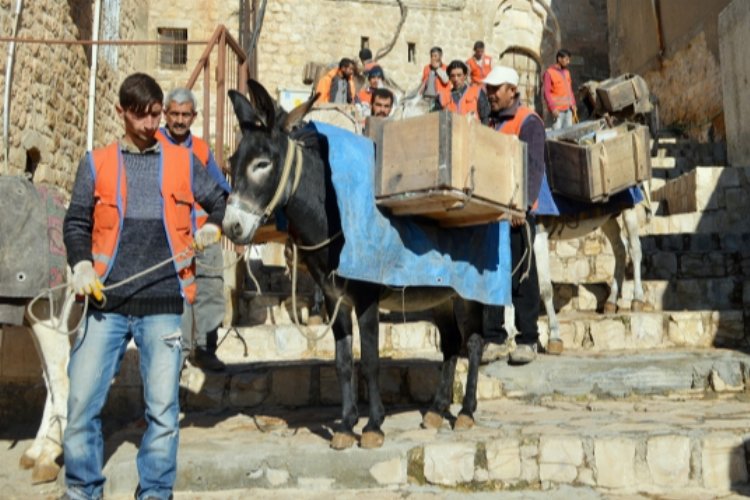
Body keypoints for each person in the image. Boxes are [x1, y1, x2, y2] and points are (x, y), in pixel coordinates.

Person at [61, 72, 226, 500]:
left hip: (165, 303)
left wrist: (213, 225)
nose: (152, 124)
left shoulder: (183, 161)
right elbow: (77, 220)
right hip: (107, 302)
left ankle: (155, 493)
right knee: (80, 404)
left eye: (157, 114)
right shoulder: (95, 162)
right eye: (142, 116)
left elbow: (223, 202)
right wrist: (81, 263)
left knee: (164, 414)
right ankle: (81, 490)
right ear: (121, 112)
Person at [157, 87, 231, 371]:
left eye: (185, 115)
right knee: (178, 296)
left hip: (203, 233)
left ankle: (205, 349)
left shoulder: (200, 149)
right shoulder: (155, 144)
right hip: (171, 236)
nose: (179, 120)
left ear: (194, 116)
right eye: (174, 113)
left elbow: (219, 188)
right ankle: (181, 353)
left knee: (210, 288)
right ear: (165, 114)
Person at [481, 66, 545, 365]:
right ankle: (493, 337)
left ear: (513, 91)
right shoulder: (490, 122)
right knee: (492, 275)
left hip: (518, 212)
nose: (490, 94)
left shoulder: (528, 121)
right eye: (489, 89)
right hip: (492, 212)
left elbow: (533, 167)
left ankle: (528, 339)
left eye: (497, 89)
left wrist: (522, 205)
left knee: (523, 275)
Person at [434, 60, 490, 124]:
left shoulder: (477, 92)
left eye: (459, 75)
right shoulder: (441, 97)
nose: (456, 79)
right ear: (449, 77)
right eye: (452, 76)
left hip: (473, 132)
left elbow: (485, 119)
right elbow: (435, 122)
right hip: (451, 133)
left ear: (465, 76)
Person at [543, 49, 577, 130]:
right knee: (556, 135)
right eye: (566, 59)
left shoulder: (567, 72)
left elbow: (570, 90)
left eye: (569, 60)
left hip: (568, 110)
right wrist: (553, 108)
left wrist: (573, 103)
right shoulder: (549, 73)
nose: (568, 62)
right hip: (557, 111)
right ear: (559, 59)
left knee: (568, 135)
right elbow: (546, 93)